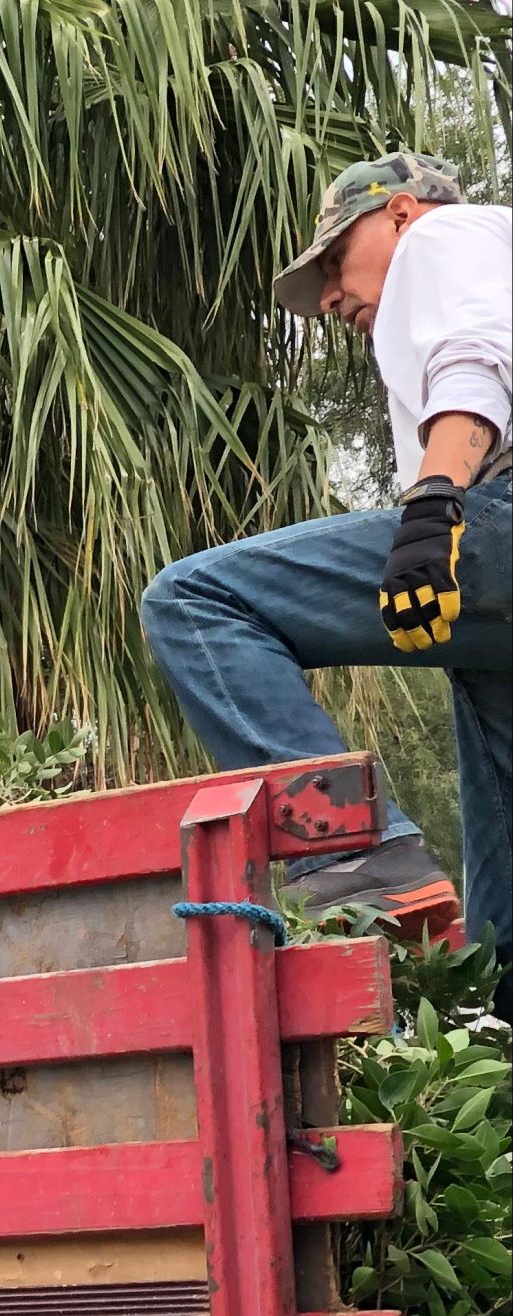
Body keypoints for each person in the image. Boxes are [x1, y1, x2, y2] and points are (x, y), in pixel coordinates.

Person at [140, 150, 510, 1000]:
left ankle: (358, 850)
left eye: (337, 261)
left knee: (196, 600)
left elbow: (474, 359)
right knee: (496, 965)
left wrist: (432, 508)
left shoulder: (444, 238)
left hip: (496, 518)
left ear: (404, 213)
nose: (331, 298)